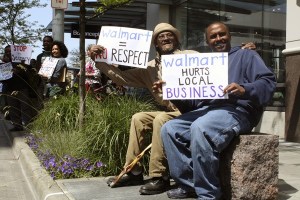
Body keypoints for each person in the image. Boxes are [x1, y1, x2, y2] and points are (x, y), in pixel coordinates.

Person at [90, 22, 257, 195]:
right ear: (155, 43)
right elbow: (122, 77)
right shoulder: (149, 68)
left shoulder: (191, 56)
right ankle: (134, 171)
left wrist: (240, 50)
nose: (166, 38)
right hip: (172, 109)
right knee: (138, 117)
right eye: (161, 36)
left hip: (192, 108)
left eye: (170, 35)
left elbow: (218, 62)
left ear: (176, 40)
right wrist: (99, 61)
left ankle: (159, 176)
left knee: (161, 120)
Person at [159, 22, 277, 199]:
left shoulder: (246, 55)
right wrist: (172, 92)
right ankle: (189, 184)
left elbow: (268, 83)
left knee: (201, 126)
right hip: (207, 110)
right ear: (208, 41)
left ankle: (208, 194)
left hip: (237, 110)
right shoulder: (205, 63)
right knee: (170, 129)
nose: (218, 39)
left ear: (229, 36)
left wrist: (245, 89)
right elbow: (191, 106)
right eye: (213, 37)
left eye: (222, 34)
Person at [1, 45, 37, 131]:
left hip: (22, 88)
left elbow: (29, 74)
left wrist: (20, 71)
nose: (9, 53)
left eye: (10, 51)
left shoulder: (22, 62)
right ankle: (17, 125)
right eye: (7, 52)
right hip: (10, 88)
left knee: (25, 107)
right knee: (13, 107)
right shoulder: (4, 63)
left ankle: (29, 126)